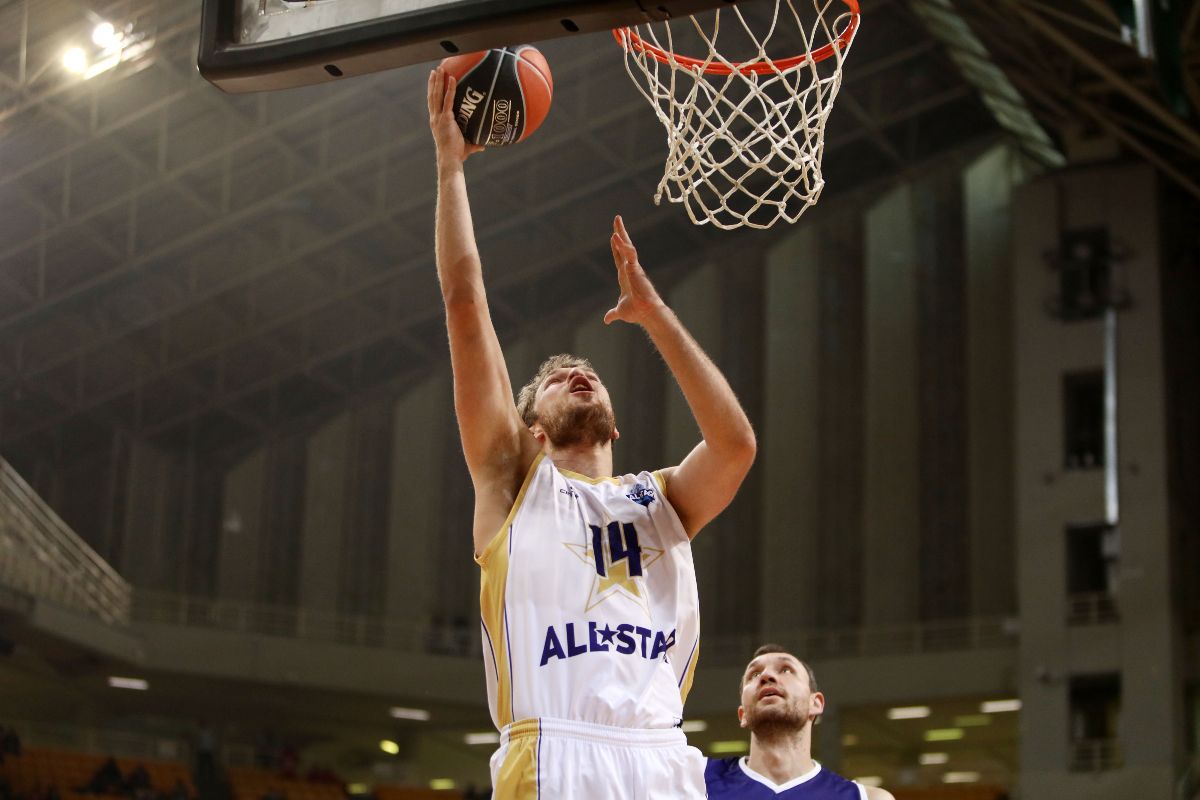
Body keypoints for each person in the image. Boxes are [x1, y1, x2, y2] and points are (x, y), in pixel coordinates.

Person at [427, 66, 757, 799]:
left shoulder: (658, 500)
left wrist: (655, 318)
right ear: (531, 429)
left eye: (588, 372)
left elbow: (735, 447)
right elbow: (462, 300)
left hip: (662, 755)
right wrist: (451, 165)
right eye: (555, 377)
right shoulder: (514, 481)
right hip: (554, 752)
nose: (579, 374)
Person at [706, 645, 896, 799]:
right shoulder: (698, 778)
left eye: (786, 670)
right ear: (743, 715)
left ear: (816, 703)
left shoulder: (865, 798)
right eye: (754, 674)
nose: (766, 676)